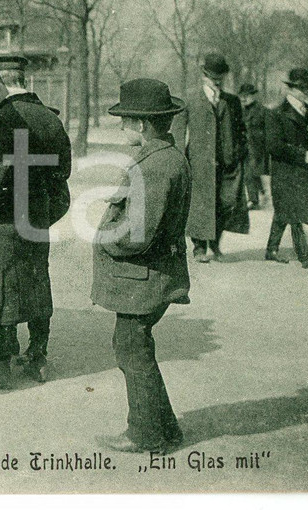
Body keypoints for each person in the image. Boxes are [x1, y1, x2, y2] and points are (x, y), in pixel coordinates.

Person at [0, 56, 71, 389]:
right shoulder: (49, 118)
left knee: (0, 285)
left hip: (2, 219)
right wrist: (45, 211)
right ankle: (38, 357)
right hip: (36, 215)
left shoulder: (5, 118)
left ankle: (0, 364)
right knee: (37, 280)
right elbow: (62, 172)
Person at [93, 78, 190, 455]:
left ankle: (145, 435)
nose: (121, 126)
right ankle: (165, 429)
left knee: (132, 351)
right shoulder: (164, 157)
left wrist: (104, 237)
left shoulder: (154, 166)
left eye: (125, 120)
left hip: (143, 277)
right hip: (153, 275)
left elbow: (137, 235)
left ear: (142, 124)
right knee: (136, 348)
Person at [174, 52, 249, 262]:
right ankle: (199, 248)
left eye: (220, 77)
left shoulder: (232, 101)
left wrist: (239, 153)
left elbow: (241, 131)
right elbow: (179, 132)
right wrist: (181, 158)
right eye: (212, 77)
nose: (216, 81)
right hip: (199, 162)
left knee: (226, 203)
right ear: (204, 75)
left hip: (227, 163)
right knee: (200, 204)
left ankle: (215, 244)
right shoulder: (190, 99)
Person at [264, 69, 308, 268]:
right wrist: (304, 155)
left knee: (284, 211)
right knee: (294, 214)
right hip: (285, 173)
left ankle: (271, 250)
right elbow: (274, 146)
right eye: (301, 87)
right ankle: (304, 256)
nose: (305, 90)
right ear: (290, 89)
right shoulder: (277, 114)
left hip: (302, 174)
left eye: (307, 86)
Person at [238, 82, 268, 209]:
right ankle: (261, 192)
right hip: (245, 146)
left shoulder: (262, 111)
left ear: (253, 96)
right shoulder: (240, 111)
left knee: (250, 173)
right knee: (251, 172)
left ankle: (254, 201)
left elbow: (268, 130)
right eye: (242, 96)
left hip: (257, 147)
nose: (244, 98)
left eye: (247, 95)